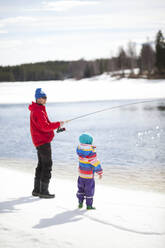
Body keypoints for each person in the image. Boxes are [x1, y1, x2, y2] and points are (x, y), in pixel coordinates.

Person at [29, 88, 64, 199]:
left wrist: (57, 125)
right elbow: (45, 127)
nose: (45, 99)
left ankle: (36, 190)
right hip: (42, 142)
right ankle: (43, 191)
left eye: (45, 97)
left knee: (41, 165)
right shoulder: (38, 111)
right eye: (43, 97)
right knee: (47, 165)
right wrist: (58, 123)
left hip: (39, 141)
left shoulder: (38, 109)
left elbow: (45, 125)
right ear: (38, 98)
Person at [76, 133, 103, 210]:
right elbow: (95, 163)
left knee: (80, 188)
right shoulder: (91, 152)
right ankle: (89, 205)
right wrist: (100, 172)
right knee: (89, 190)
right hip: (89, 176)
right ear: (90, 142)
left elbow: (84, 151)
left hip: (81, 174)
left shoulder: (79, 150)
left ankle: (80, 203)